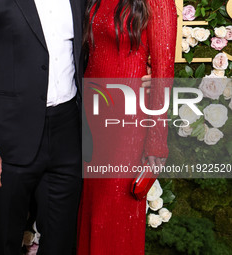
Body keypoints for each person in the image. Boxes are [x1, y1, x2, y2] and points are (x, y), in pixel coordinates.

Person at [0, 0, 152, 254]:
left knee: (62, 240)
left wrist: (144, 67)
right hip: (11, 135)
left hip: (68, 131)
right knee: (5, 238)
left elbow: (100, 42)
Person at [77, 0, 177, 254]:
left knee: (111, 212)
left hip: (126, 123)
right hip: (92, 119)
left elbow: (163, 73)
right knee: (89, 209)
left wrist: (156, 141)